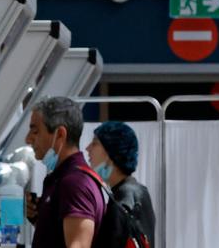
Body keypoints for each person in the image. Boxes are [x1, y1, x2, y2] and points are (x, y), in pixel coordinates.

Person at [24, 96, 104, 248]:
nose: (28, 139)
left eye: (35, 131)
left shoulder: (74, 184)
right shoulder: (62, 179)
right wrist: (39, 218)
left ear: (60, 134)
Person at [85, 121, 156, 246]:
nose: (88, 148)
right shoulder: (142, 192)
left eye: (95, 143)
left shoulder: (120, 202)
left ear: (110, 152)